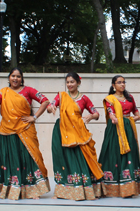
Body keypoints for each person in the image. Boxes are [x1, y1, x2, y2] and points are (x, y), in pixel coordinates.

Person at [0, 67, 50, 200]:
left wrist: (34, 117)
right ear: (9, 78)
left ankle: (32, 190)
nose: (15, 79)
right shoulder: (3, 92)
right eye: (13, 76)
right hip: (6, 131)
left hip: (24, 130)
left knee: (29, 159)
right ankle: (0, 190)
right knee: (5, 160)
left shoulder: (29, 90)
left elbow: (45, 101)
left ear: (22, 79)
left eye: (18, 76)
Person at [46, 72, 103, 200]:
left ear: (78, 83)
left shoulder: (84, 99)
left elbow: (96, 113)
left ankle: (84, 189)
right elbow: (51, 105)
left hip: (78, 131)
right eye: (67, 82)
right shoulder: (61, 96)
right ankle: (63, 190)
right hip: (62, 130)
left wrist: (91, 116)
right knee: (62, 159)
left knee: (80, 158)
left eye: (72, 82)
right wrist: (51, 108)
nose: (69, 84)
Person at [99, 75, 140, 198]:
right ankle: (108, 187)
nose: (122, 84)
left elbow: (137, 114)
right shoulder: (110, 99)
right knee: (112, 155)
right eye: (119, 82)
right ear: (113, 85)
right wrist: (115, 118)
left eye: (124, 82)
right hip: (114, 130)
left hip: (128, 129)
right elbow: (111, 113)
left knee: (129, 155)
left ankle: (128, 188)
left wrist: (130, 119)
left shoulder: (130, 98)